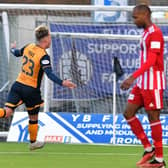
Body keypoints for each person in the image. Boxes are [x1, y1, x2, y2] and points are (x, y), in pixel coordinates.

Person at [0, 25, 76, 150]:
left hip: (17, 85)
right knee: (33, 117)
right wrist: (63, 82)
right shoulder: (43, 56)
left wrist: (12, 49)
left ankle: (34, 142)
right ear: (45, 39)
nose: (51, 39)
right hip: (31, 90)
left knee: (7, 112)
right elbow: (49, 74)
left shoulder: (29, 46)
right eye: (50, 36)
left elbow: (17, 52)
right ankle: (33, 142)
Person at [121, 4, 166, 168]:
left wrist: (132, 77)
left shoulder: (155, 33)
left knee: (153, 117)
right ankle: (148, 149)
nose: (134, 21)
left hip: (153, 82)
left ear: (145, 15)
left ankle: (159, 161)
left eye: (136, 17)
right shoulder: (146, 33)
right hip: (142, 83)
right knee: (128, 112)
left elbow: (152, 61)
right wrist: (137, 79)